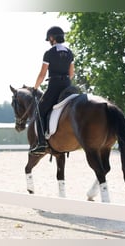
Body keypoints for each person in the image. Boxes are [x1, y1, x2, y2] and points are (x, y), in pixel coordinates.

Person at [30, 26, 75, 154]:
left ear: (51, 38)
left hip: (54, 86)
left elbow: (42, 74)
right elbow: (71, 73)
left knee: (39, 112)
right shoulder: (69, 52)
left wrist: (35, 88)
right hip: (68, 86)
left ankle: (41, 143)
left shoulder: (49, 53)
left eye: (49, 39)